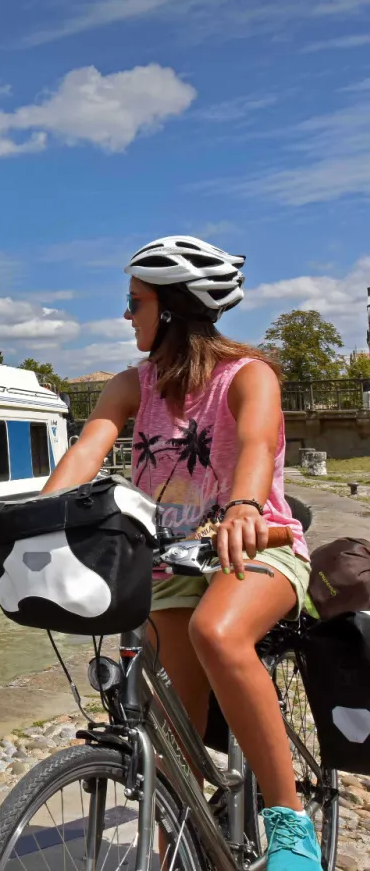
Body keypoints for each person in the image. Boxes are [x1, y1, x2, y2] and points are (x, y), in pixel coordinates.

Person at [42, 235, 322, 871]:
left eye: (135, 302)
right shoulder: (131, 384)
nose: (126, 315)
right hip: (170, 562)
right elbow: (88, 449)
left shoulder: (249, 376)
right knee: (171, 729)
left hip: (258, 547)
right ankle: (177, 845)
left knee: (216, 633)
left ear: (170, 309)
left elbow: (254, 444)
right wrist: (34, 514)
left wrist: (244, 507)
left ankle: (289, 824)